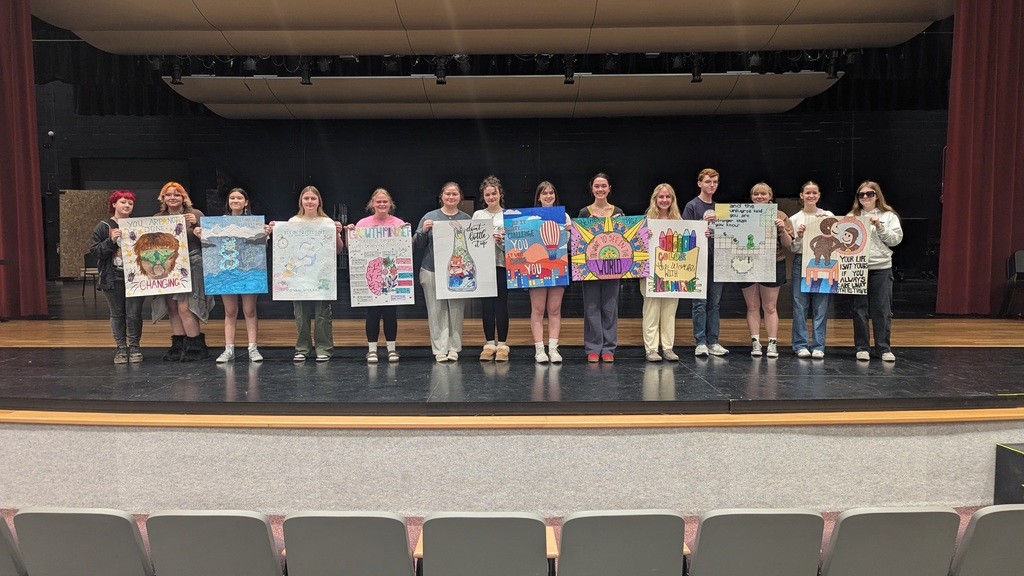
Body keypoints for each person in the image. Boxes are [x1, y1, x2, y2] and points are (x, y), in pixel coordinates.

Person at [270, 186, 344, 362]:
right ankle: (302, 349)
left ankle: (324, 348)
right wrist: (277, 229)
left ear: (319, 201)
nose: (309, 202)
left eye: (313, 198)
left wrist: (337, 233)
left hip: (321, 277)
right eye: (306, 198)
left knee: (322, 314)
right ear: (301, 201)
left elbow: (339, 250)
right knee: (301, 315)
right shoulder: (293, 222)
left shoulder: (327, 223)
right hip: (299, 279)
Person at [195, 188, 264, 363]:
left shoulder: (254, 223)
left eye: (239, 198)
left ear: (246, 202)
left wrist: (266, 235)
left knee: (249, 310)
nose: (235, 200)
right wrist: (201, 234)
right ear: (228, 201)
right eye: (232, 198)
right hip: (225, 271)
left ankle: (253, 348)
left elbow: (259, 250)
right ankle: (229, 348)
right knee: (230, 310)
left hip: (248, 272)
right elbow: (212, 245)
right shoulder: (219, 223)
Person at [153, 182, 214, 362]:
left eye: (177, 194)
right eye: (169, 194)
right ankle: (178, 344)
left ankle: (195, 345)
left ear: (183, 197)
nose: (173, 197)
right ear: (163, 198)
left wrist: (196, 226)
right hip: (167, 266)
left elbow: (210, 240)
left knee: (185, 306)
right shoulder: (157, 217)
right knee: (171, 306)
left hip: (192, 263)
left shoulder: (195, 214)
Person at [414, 182, 472, 362]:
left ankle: (454, 348)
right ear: (442, 196)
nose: (451, 197)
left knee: (456, 310)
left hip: (458, 272)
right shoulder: (429, 217)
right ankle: (440, 349)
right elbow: (417, 244)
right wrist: (423, 231)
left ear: (460, 197)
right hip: (431, 270)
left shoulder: (466, 218)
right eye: (448, 194)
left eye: (454, 194)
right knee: (436, 310)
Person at [350, 188, 408, 363]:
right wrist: (351, 233)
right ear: (372, 204)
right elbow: (352, 250)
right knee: (372, 314)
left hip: (390, 274)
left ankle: (392, 349)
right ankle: (372, 350)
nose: (382, 204)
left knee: (391, 314)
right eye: (378, 202)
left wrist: (406, 235)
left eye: (385, 202)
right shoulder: (362, 224)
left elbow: (407, 250)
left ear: (390, 204)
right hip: (372, 274)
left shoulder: (398, 223)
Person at [849, 180, 903, 362]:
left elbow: (895, 240)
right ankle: (862, 347)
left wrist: (879, 225)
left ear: (876, 195)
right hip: (857, 267)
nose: (865, 197)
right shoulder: (852, 216)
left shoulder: (889, 216)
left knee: (882, 309)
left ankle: (883, 348)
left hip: (881, 267)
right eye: (861, 194)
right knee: (859, 310)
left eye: (869, 194)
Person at [738, 182, 794, 358]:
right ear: (752, 197)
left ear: (770, 196)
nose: (760, 197)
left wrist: (782, 229)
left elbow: (788, 244)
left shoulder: (780, 215)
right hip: (747, 263)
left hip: (773, 262)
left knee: (770, 306)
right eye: (756, 194)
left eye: (763, 194)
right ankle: (755, 342)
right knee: (752, 306)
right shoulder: (742, 214)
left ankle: (772, 343)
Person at [90, 190, 144, 364]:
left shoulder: (139, 225)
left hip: (136, 276)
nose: (127, 205)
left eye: (130, 203)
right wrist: (110, 241)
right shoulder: (104, 226)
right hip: (113, 275)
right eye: (123, 202)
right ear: (114, 204)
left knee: (134, 313)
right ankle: (121, 347)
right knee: (117, 313)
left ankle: (134, 346)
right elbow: (95, 251)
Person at [682, 168, 729, 356]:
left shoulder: (721, 208)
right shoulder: (692, 206)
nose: (712, 185)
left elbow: (729, 234)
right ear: (700, 183)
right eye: (708, 181)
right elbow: (686, 233)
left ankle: (713, 341)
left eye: (715, 182)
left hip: (718, 261)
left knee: (715, 303)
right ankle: (700, 341)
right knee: (699, 302)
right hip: (699, 262)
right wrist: (701, 227)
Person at [579, 172, 624, 363]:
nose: (600, 189)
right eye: (597, 186)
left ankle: (609, 348)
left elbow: (625, 242)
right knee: (591, 307)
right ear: (592, 189)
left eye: (603, 186)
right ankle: (593, 347)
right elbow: (579, 241)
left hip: (613, 267)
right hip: (590, 267)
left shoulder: (618, 212)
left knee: (610, 307)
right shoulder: (584, 212)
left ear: (609, 188)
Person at [789, 181, 834, 359]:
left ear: (819, 195)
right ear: (801, 195)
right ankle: (800, 345)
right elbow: (792, 248)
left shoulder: (828, 215)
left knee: (821, 306)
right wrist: (799, 237)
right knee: (799, 305)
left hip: (823, 262)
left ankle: (818, 345)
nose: (811, 196)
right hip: (802, 261)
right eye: (807, 193)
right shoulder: (794, 219)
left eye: (814, 193)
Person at [641, 183, 683, 362]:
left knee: (669, 311)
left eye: (668, 197)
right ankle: (651, 349)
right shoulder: (645, 221)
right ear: (655, 199)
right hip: (651, 273)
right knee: (651, 310)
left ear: (672, 200)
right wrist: (643, 235)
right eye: (661, 197)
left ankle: (667, 348)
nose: (664, 200)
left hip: (673, 273)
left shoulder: (680, 222)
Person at [473, 175, 511, 362]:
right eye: (487, 194)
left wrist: (502, 242)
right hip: (483, 268)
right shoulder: (477, 216)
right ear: (483, 196)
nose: (491, 197)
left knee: (501, 305)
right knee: (486, 306)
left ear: (499, 194)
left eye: (494, 193)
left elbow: (516, 245)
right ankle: (489, 344)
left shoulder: (509, 215)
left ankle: (502, 345)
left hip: (502, 265)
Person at [530, 181, 568, 364]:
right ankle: (539, 349)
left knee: (554, 309)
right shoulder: (529, 217)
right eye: (544, 193)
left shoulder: (564, 216)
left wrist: (572, 232)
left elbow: (569, 245)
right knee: (537, 310)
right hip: (536, 270)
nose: (548, 196)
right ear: (539, 197)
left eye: (551, 193)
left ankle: (553, 348)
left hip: (558, 268)